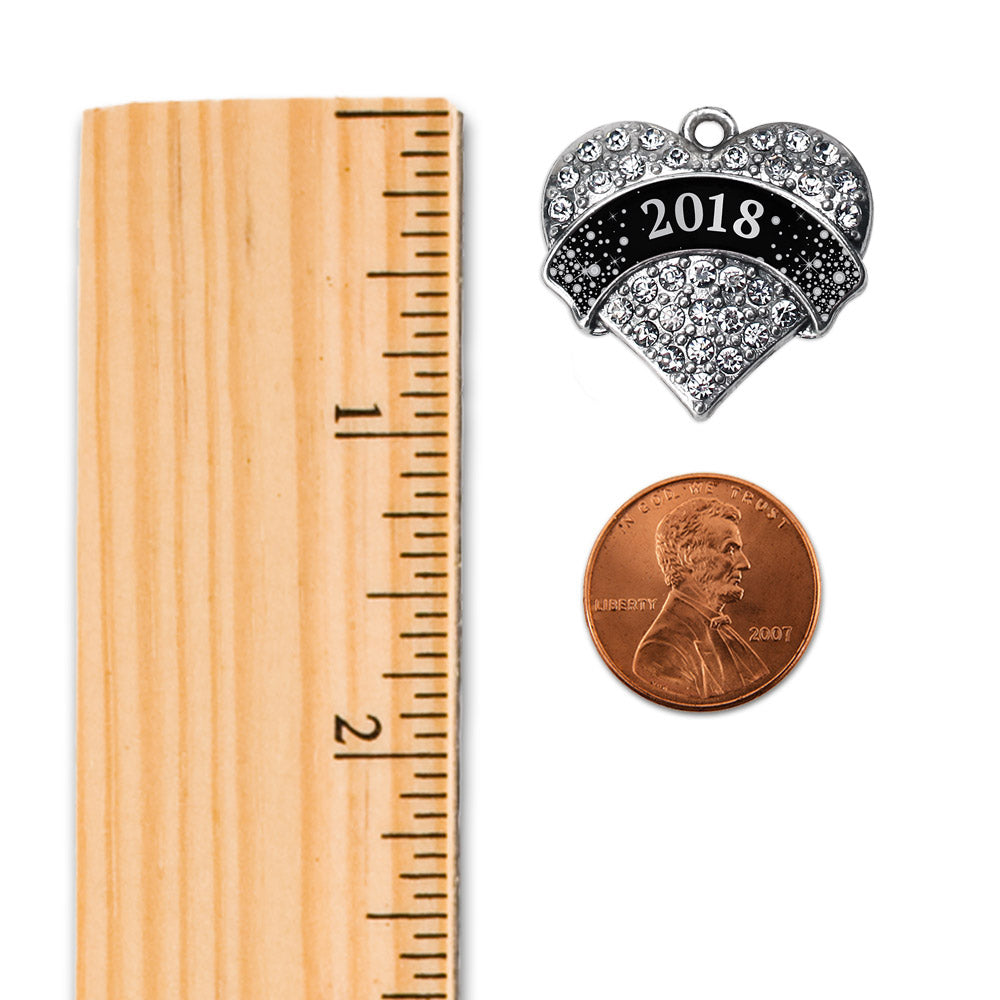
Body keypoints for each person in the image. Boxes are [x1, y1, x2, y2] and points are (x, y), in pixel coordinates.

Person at [633, 497, 768, 700]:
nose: (745, 563)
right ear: (687, 556)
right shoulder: (660, 651)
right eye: (730, 549)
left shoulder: (725, 632)